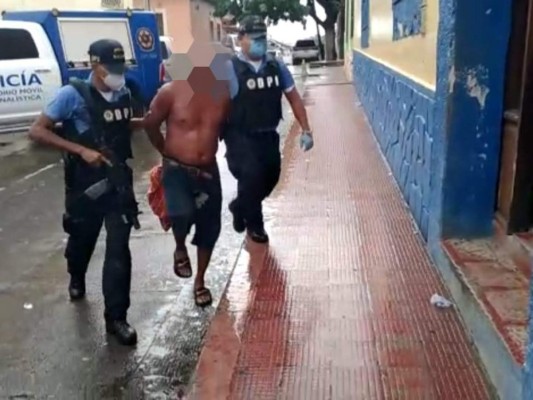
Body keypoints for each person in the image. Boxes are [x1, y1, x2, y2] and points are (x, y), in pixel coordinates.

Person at [29, 39, 143, 346]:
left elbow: (121, 125)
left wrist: (147, 122)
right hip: (84, 184)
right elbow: (37, 130)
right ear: (95, 65)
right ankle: (76, 275)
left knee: (118, 250)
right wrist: (79, 150)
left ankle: (116, 318)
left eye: (120, 67)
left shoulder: (124, 92)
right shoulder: (71, 95)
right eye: (111, 68)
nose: (117, 74)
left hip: (117, 181)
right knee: (82, 239)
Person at [143, 65, 230, 308]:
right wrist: (164, 150)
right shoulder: (170, 92)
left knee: (210, 228)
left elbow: (228, 128)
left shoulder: (223, 96)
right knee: (181, 213)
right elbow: (150, 123)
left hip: (208, 171)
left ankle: (200, 281)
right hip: (176, 168)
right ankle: (180, 246)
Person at [224, 15, 314, 244]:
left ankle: (240, 206)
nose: (260, 42)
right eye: (254, 38)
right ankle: (255, 226)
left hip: (268, 135)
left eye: (262, 38)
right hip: (240, 137)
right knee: (251, 177)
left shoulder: (276, 66)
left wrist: (306, 129)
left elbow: (293, 97)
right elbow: (213, 105)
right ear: (241, 38)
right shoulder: (229, 69)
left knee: (272, 176)